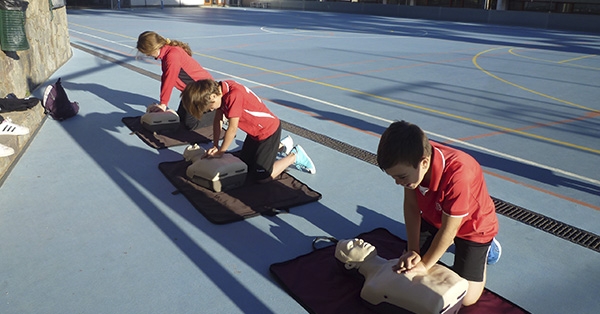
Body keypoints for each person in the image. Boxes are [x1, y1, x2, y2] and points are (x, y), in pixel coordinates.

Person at [376, 120, 501, 307]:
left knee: (466, 298)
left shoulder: (459, 173)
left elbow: (450, 230)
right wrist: (413, 250)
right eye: (393, 177)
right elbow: (411, 206)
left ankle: (489, 249)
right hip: (436, 218)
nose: (397, 182)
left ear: (424, 162)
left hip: (472, 228)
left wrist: (425, 265)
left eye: (400, 177)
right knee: (408, 263)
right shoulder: (412, 160)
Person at [180, 79, 316, 182]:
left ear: (212, 97)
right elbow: (218, 121)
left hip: (268, 132)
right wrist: (215, 146)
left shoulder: (234, 95)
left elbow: (232, 129)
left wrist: (221, 151)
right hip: (254, 134)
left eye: (209, 108)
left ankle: (294, 156)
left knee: (262, 177)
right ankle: (281, 146)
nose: (210, 110)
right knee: (244, 166)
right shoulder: (220, 89)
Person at [335, 238, 468, 314]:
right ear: (349, 264)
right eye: (351, 246)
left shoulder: (396, 260)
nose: (358, 241)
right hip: (439, 302)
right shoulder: (370, 288)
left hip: (452, 290)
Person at [136, 31, 214, 130]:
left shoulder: (172, 55)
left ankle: (220, 114)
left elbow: (169, 80)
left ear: (153, 49)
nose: (147, 56)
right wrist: (162, 102)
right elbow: (165, 78)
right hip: (191, 92)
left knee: (191, 124)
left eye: (147, 53)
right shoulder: (167, 53)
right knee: (180, 118)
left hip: (204, 91)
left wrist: (163, 104)